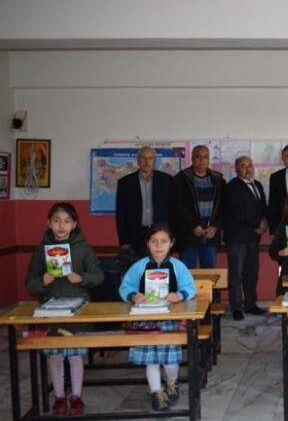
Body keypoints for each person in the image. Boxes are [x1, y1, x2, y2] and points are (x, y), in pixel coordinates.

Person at [25, 203, 104, 415]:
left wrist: (82, 278)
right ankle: (59, 397)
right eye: (57, 221)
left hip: (78, 310)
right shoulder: (41, 251)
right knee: (55, 356)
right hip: (50, 311)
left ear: (74, 224)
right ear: (49, 223)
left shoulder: (83, 248)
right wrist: (42, 281)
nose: (61, 226)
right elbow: (30, 284)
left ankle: (76, 397)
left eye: (67, 221)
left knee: (75, 355)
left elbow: (98, 276)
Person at [118, 224, 196, 411]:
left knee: (170, 361)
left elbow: (190, 287)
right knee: (151, 360)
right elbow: (125, 287)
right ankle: (156, 392)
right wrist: (133, 296)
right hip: (145, 320)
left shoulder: (178, 266)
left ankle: (172, 382)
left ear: (171, 243)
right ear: (147, 244)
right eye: (154, 241)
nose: (159, 246)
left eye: (163, 241)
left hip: (169, 320)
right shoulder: (140, 266)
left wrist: (179, 295)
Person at [223, 156, 268, 320]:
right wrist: (258, 223)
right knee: (236, 274)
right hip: (237, 238)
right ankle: (236, 307)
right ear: (236, 169)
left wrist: (265, 221)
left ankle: (250, 304)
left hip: (253, 238)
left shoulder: (258, 185)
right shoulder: (232, 187)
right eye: (243, 166)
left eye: (250, 165)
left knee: (251, 273)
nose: (247, 169)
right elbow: (238, 211)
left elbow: (263, 208)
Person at [170, 145, 226, 268]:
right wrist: (193, 225)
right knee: (187, 273)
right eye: (198, 157)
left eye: (205, 157)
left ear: (209, 160)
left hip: (210, 235)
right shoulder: (180, 179)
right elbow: (177, 207)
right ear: (192, 159)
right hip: (188, 235)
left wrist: (215, 227)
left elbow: (224, 208)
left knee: (209, 275)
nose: (202, 160)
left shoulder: (219, 180)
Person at [116, 146, 172, 257]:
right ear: (138, 161)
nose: (147, 162)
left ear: (155, 161)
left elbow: (172, 211)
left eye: (150, 158)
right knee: (138, 266)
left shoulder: (167, 180)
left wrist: (170, 236)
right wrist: (124, 241)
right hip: (135, 235)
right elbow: (121, 214)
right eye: (143, 158)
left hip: (160, 234)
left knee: (159, 266)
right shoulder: (125, 183)